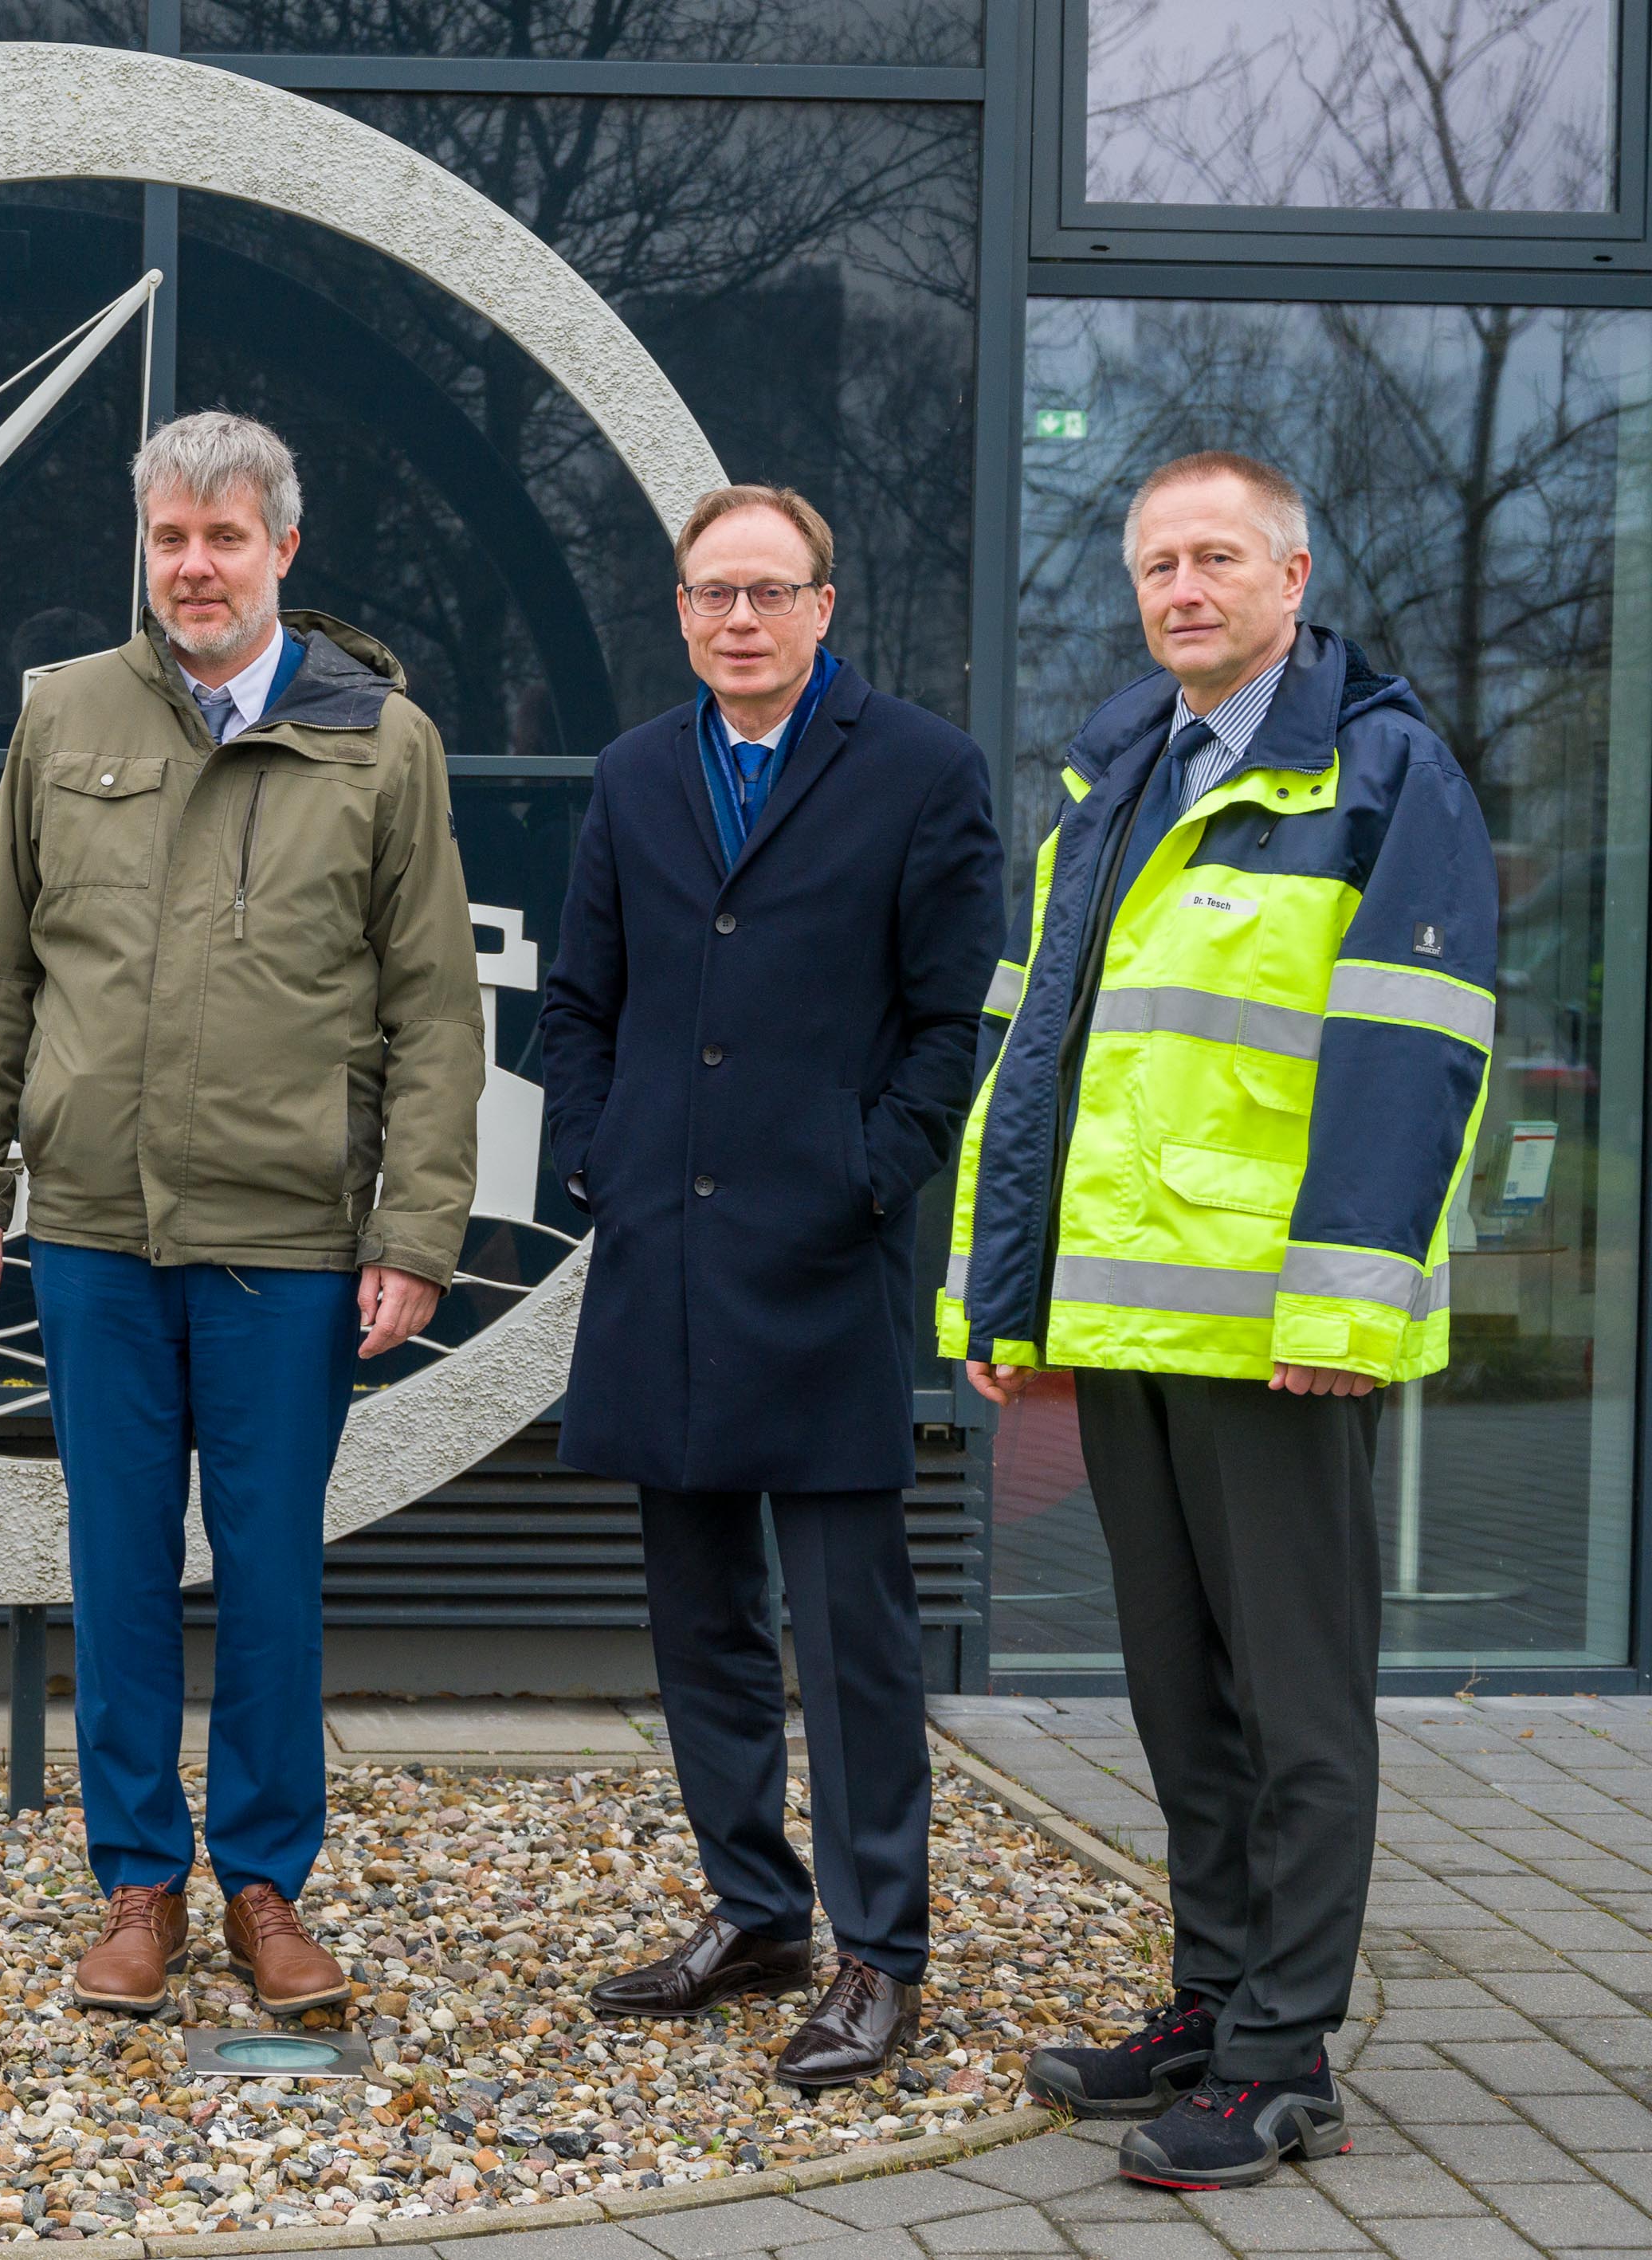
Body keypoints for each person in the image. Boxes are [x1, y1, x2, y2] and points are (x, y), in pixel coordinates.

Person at [946, 451, 1495, 2187]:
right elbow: (1034, 1058)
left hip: (1274, 1331)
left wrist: (1340, 1303)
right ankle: (1206, 1996)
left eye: (1213, 558)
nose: (1179, 588)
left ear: (1290, 575)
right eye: (1153, 563)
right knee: (1184, 1695)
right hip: (1123, 1327)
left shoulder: (1381, 772)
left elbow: (1410, 1058)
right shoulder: (1112, 776)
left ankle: (1280, 2055)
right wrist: (1004, 1291)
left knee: (1296, 1703)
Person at [0, 410, 482, 2016]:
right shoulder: (65, 717)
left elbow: (437, 1011)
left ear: (282, 553)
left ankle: (263, 1886)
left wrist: (413, 1228)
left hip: (287, 1245)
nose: (193, 564)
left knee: (265, 1573)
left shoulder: (380, 740)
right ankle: (134, 1886)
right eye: (168, 536)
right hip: (95, 1227)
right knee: (113, 1564)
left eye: (223, 535)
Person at [537, 485, 1004, 2086]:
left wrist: (866, 1173)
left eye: (767, 589)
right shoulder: (632, 774)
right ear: (678, 612)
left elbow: (950, 1022)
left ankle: (880, 1949)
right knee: (700, 1619)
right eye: (709, 592)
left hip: (824, 1261)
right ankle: (756, 1908)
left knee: (848, 1628)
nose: (737, 617)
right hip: (663, 1252)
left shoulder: (923, 771)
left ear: (822, 603)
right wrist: (592, 1163)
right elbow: (577, 1001)